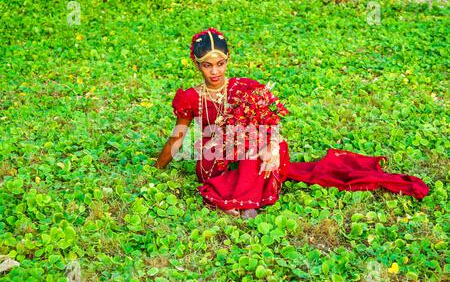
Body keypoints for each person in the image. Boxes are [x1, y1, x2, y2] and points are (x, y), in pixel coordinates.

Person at [155, 27, 429, 219]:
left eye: (220, 63)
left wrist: (271, 145)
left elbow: (270, 123)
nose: (215, 71)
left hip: (247, 153)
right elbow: (178, 135)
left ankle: (244, 199)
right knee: (239, 140)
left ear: (228, 60)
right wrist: (158, 167)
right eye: (207, 65)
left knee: (261, 140)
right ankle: (245, 195)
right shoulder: (191, 97)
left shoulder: (246, 87)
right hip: (215, 158)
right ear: (196, 64)